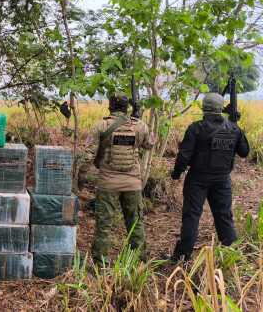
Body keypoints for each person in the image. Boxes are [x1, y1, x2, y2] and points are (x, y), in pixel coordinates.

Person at [170, 93, 249, 262]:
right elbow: (244, 152)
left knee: (192, 216)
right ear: (220, 108)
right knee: (224, 216)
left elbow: (184, 156)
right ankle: (231, 256)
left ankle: (183, 256)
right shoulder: (233, 128)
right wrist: (236, 126)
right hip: (222, 180)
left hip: (198, 179)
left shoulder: (196, 128)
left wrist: (176, 173)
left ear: (204, 107)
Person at [79, 93, 155, 263]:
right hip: (133, 183)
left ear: (110, 106)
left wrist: (81, 176)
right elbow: (149, 144)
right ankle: (138, 259)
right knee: (135, 222)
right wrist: (138, 118)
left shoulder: (101, 125)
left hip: (107, 183)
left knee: (104, 224)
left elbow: (88, 155)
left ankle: (101, 262)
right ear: (127, 107)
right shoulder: (139, 126)